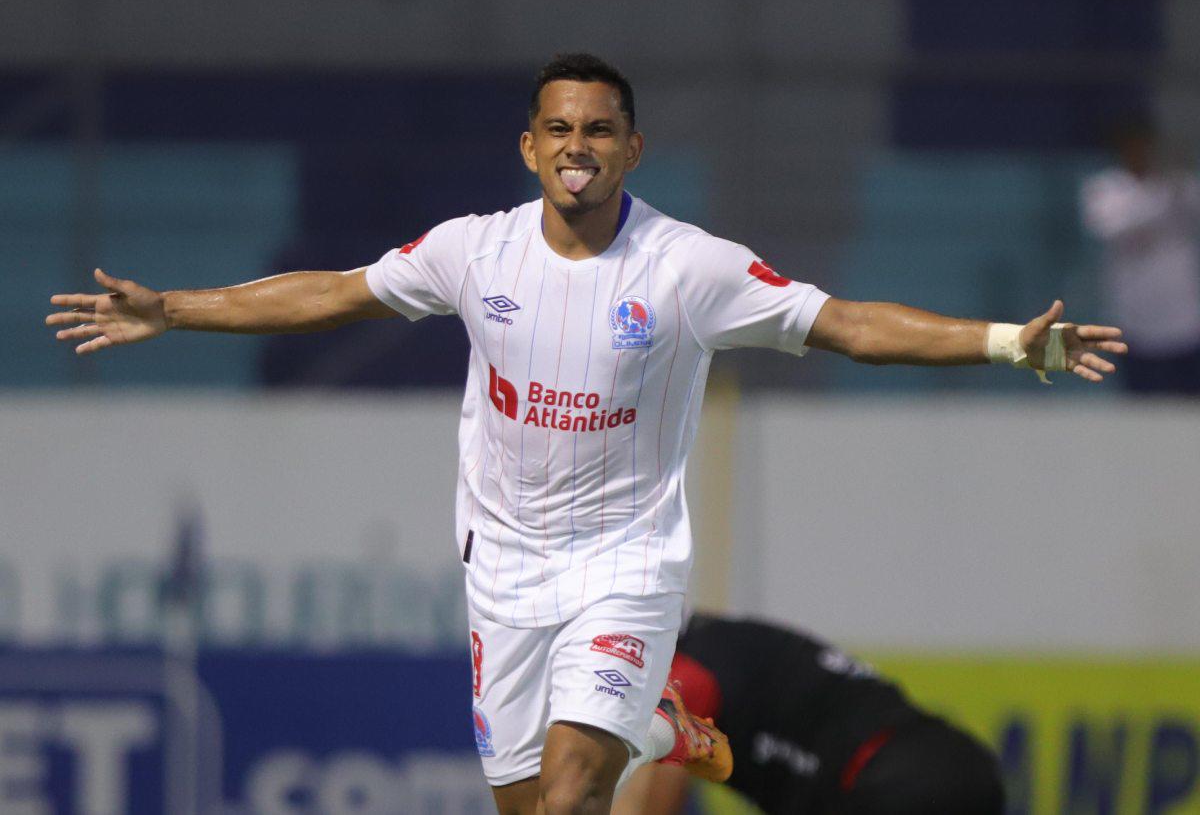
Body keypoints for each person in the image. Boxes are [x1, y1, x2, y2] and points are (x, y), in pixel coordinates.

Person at [45, 53, 1124, 815]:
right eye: (559, 127)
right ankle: (658, 730)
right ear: (529, 145)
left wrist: (999, 342)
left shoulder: (688, 267)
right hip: (504, 575)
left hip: (625, 570)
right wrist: (174, 308)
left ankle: (638, 720)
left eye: (599, 129)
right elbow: (332, 293)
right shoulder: (474, 253)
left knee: (569, 799)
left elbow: (842, 324)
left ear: (632, 147)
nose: (578, 146)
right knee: (535, 807)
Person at [613, 613, 1005, 815]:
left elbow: (647, 806)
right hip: (954, 765)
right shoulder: (724, 641)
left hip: (892, 781)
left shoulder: (683, 671)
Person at [1080, 114, 1200, 394]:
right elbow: (1110, 227)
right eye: (1132, 146)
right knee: (1142, 403)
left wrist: (1176, 183)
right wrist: (1163, 198)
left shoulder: (1182, 185)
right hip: (1134, 319)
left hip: (1185, 318)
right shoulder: (1105, 189)